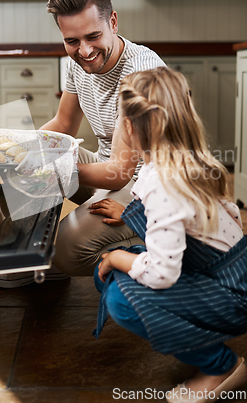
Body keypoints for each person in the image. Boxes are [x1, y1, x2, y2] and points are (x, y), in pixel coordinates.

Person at [0, 0, 165, 288]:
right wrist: (17, 150)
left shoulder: (141, 72)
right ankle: (37, 259)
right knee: (19, 174)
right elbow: (63, 124)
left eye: (93, 36)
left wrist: (53, 169)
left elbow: (120, 173)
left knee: (69, 249)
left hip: (149, 188)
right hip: (110, 168)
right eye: (72, 41)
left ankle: (164, 252)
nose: (84, 51)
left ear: (112, 22)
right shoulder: (76, 64)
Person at [92, 66, 247, 403]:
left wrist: (117, 256)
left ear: (129, 128)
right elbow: (192, 226)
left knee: (120, 298)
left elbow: (162, 273)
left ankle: (221, 365)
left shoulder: (164, 183)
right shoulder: (184, 159)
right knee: (113, 271)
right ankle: (201, 336)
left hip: (233, 295)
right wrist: (129, 216)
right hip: (230, 273)